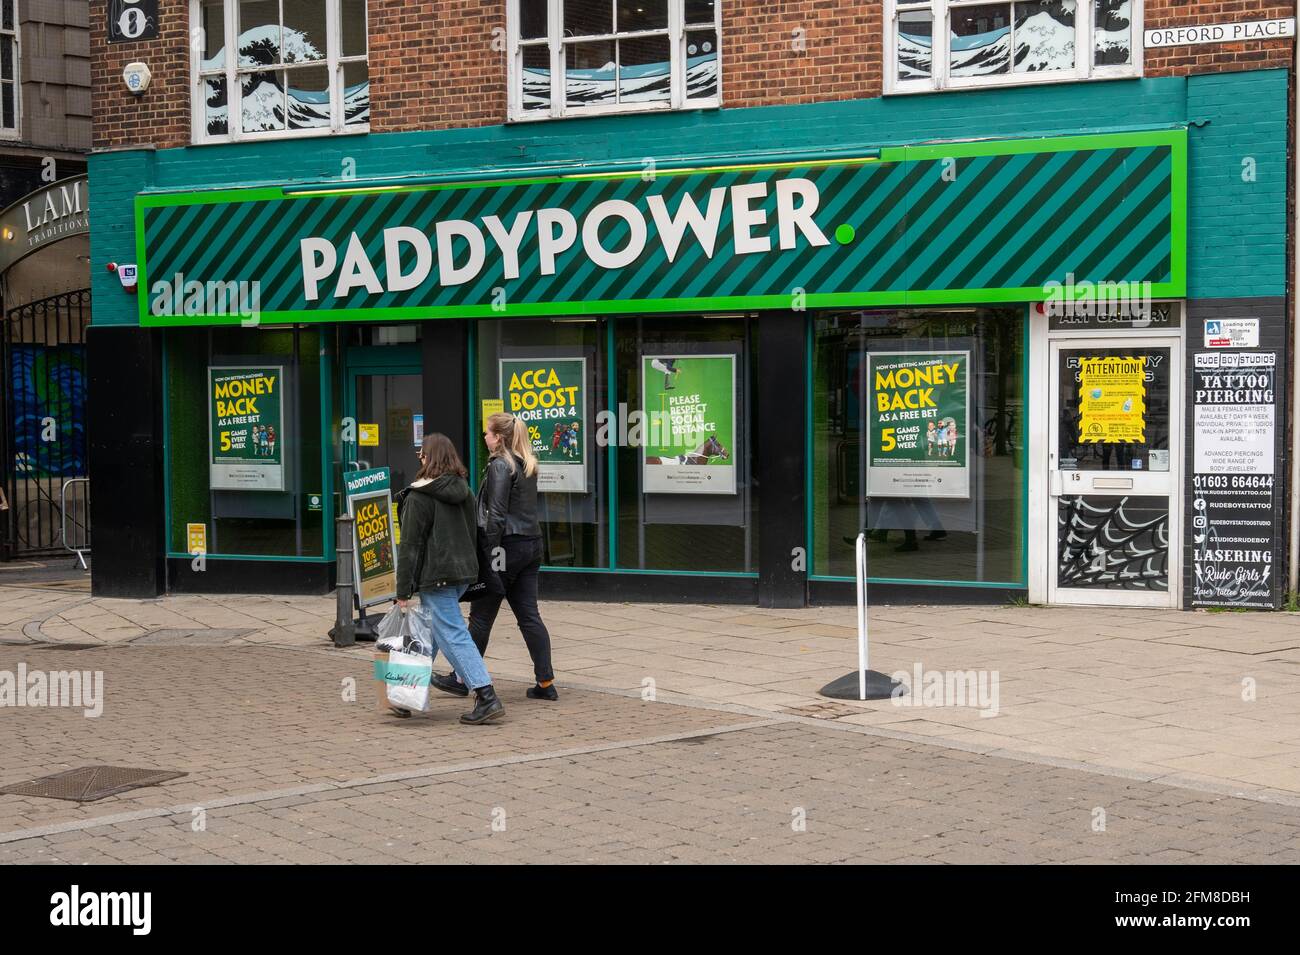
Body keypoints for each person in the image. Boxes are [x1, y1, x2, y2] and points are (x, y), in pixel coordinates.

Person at [434, 411, 558, 701]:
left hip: (505, 548)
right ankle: (545, 682)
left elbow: (497, 515)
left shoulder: (500, 465)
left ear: (498, 438)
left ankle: (462, 679)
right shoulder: (526, 462)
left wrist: (488, 554)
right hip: (531, 544)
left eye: (488, 433)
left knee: (480, 617)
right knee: (529, 615)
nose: (485, 437)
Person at [394, 432, 505, 724]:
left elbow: (410, 546)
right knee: (430, 634)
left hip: (436, 576)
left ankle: (486, 695)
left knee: (453, 635)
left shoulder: (419, 496)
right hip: (461, 574)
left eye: (422, 453)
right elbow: (472, 532)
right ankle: (405, 692)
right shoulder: (464, 491)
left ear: (429, 458)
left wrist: (402, 589)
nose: (419, 457)